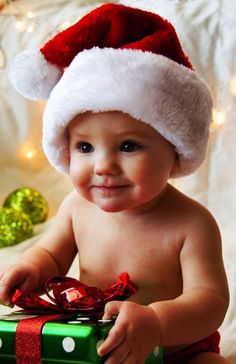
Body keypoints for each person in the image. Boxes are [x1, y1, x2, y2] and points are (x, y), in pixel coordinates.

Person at [1, 4, 229, 364]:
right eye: (85, 147)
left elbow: (210, 302)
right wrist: (31, 268)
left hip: (178, 350)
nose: (103, 165)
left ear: (175, 149)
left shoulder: (192, 224)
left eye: (128, 146)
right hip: (99, 347)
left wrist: (156, 322)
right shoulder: (77, 210)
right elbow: (50, 255)